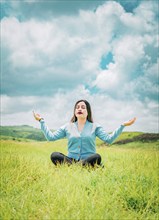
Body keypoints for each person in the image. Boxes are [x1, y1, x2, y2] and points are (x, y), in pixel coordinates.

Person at [33, 100, 136, 167]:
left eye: (83, 107)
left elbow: (109, 139)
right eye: (77, 107)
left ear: (88, 112)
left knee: (97, 157)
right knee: (54, 155)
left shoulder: (95, 126)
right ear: (74, 112)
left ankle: (75, 168)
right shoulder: (67, 126)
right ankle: (79, 167)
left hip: (88, 159)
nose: (80, 109)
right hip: (71, 160)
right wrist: (41, 121)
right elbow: (51, 137)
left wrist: (123, 125)